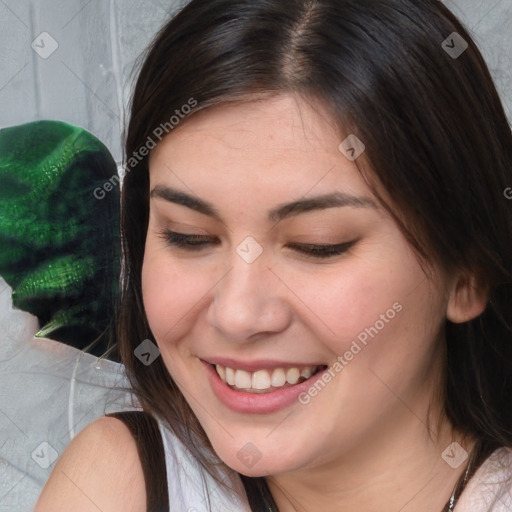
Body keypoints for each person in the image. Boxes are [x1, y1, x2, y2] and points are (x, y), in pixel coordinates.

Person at [35, 0, 512, 510]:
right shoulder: (119, 483)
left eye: (317, 245)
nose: (237, 315)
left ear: (468, 275)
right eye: (188, 236)